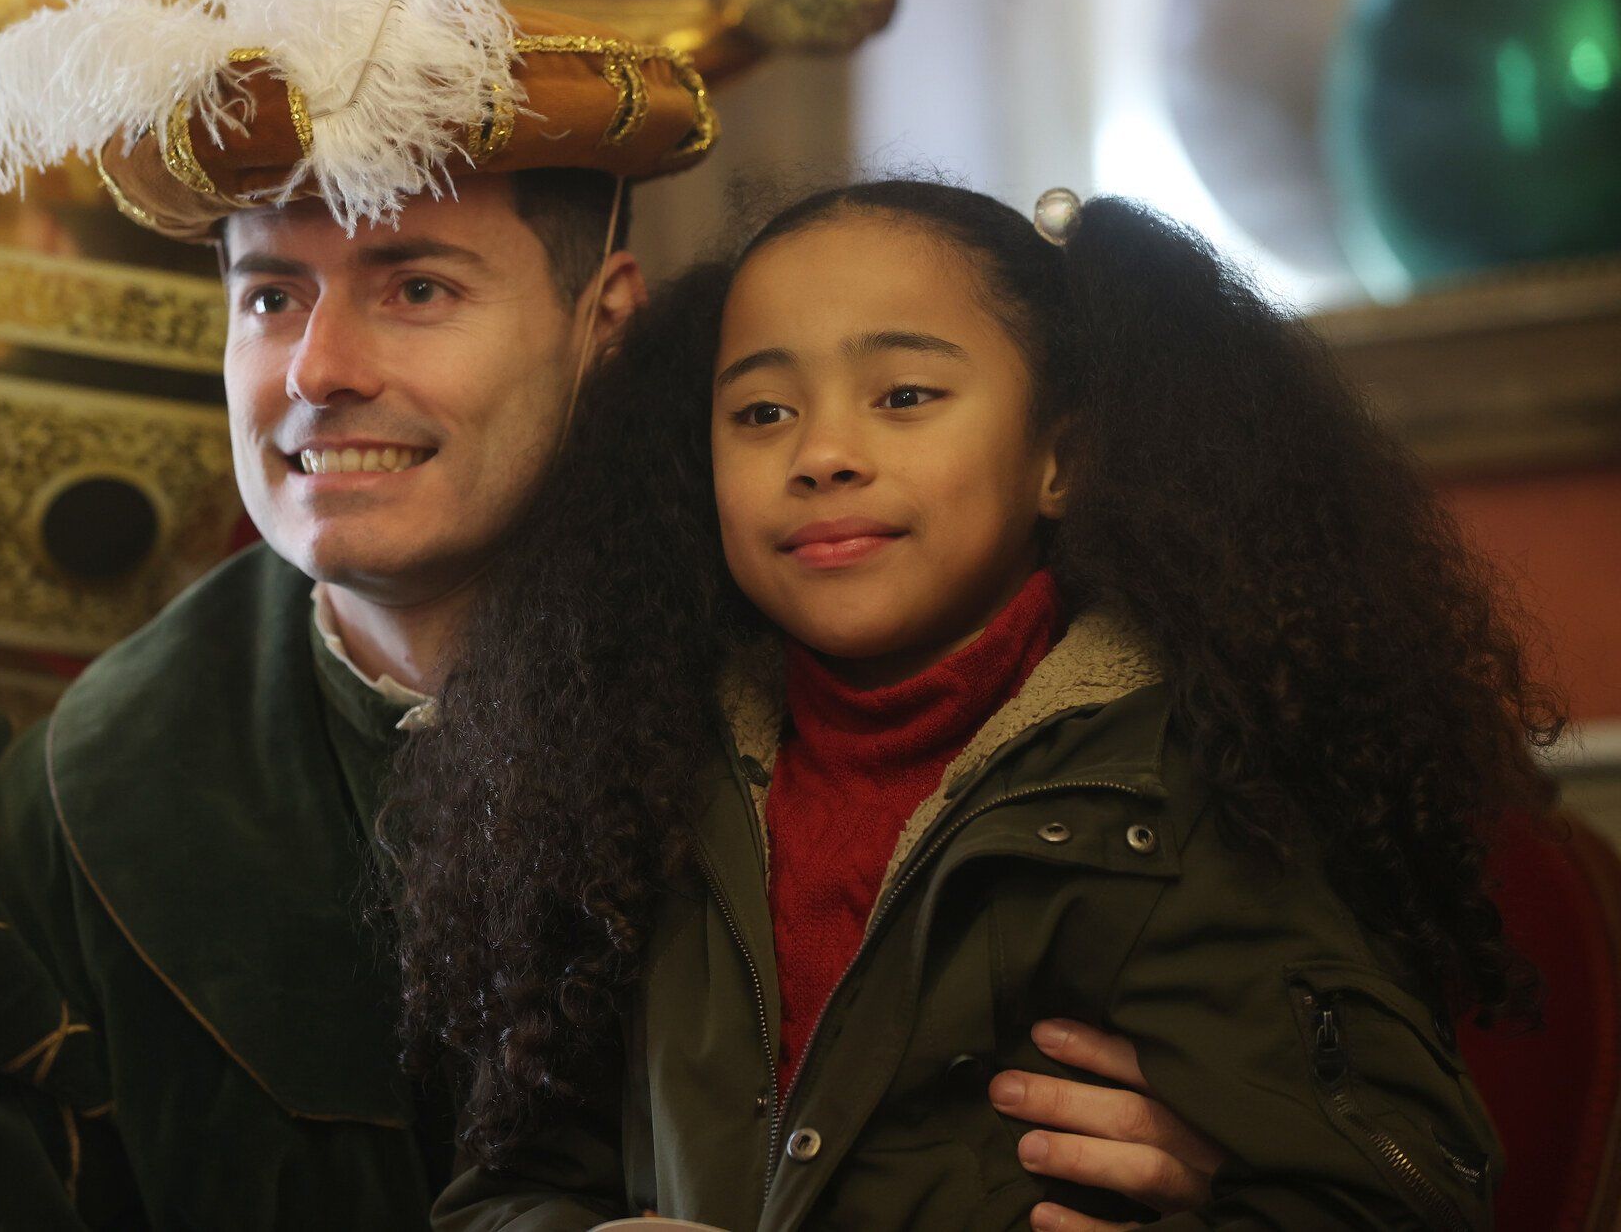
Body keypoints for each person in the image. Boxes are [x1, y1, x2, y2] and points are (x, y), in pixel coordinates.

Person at [0, 0, 1215, 1226]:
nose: (319, 369)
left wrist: (1209, 1158)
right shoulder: (72, 819)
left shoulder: (858, 693)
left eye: (414, 287)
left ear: (602, 317)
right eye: (270, 297)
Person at [390, 180, 1564, 1230]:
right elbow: (504, 1184)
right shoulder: (631, 786)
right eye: (760, 413)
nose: (822, 453)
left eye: (902, 395)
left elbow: (1401, 1187)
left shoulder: (1195, 787)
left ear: (1060, 460)